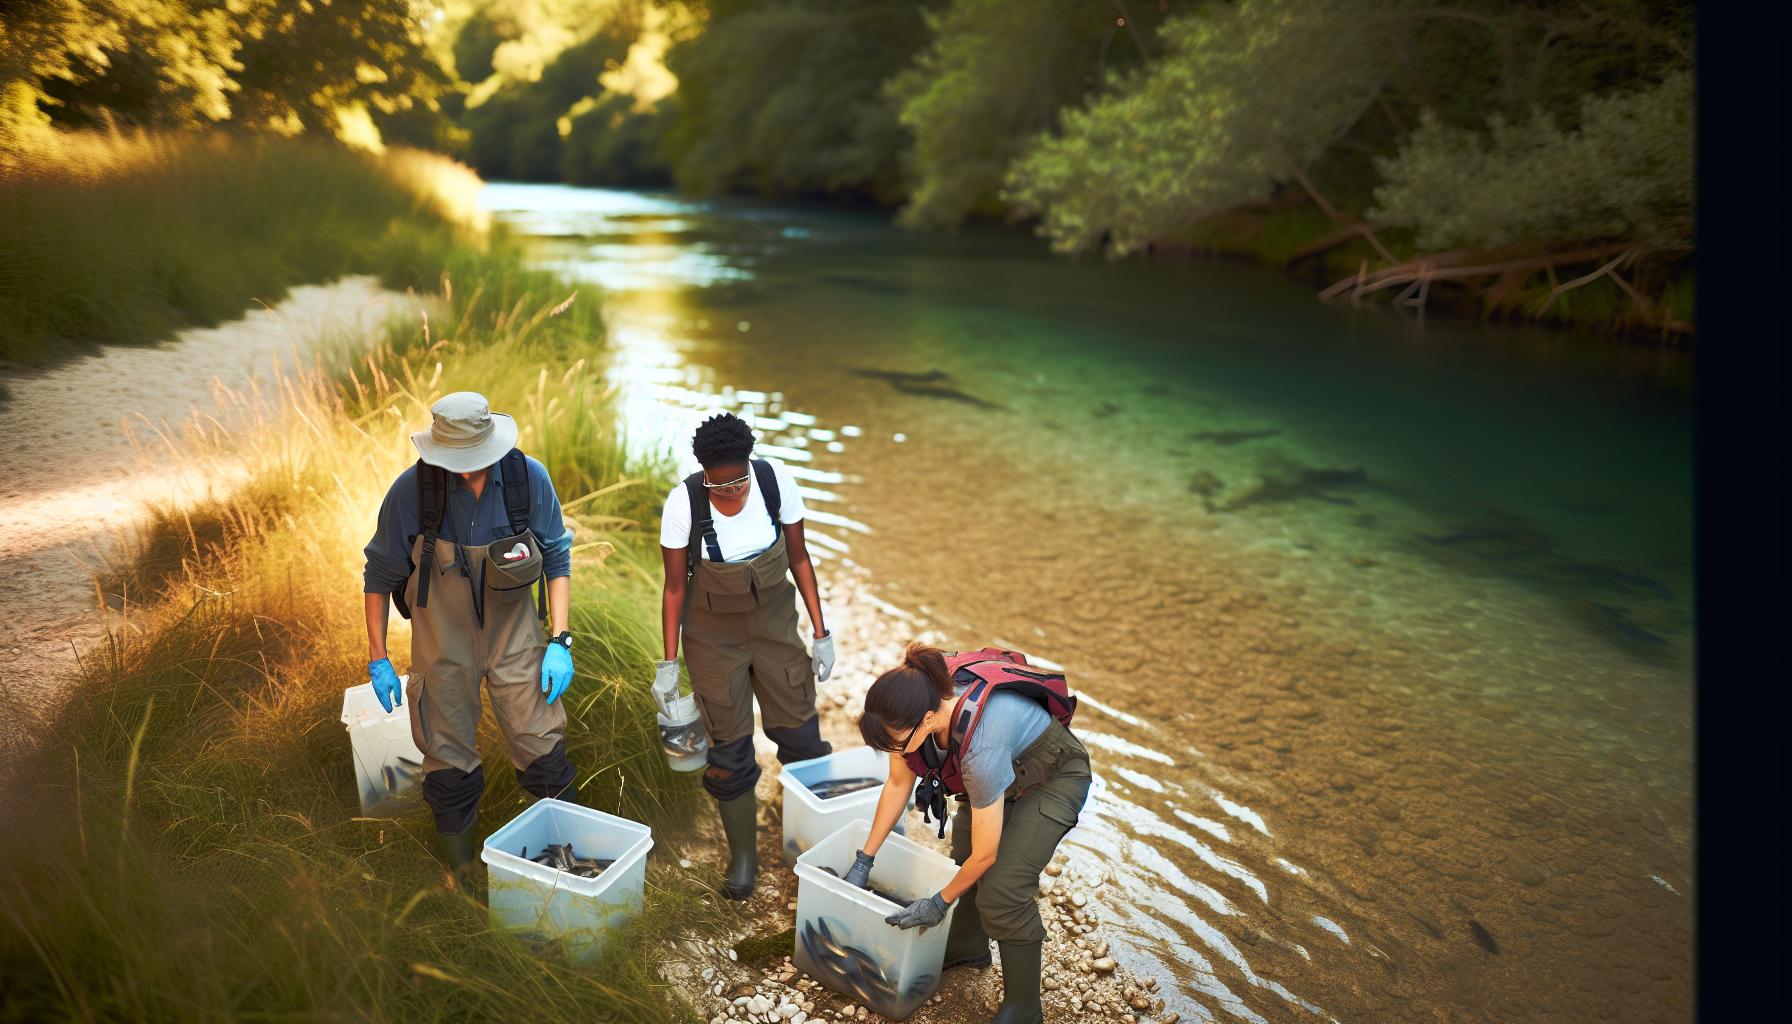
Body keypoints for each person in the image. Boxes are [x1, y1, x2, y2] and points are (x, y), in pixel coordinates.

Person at [362, 392, 579, 888]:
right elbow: (378, 575)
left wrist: (560, 641)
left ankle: (567, 864)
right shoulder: (410, 492)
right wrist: (378, 658)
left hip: (515, 635)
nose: (466, 471)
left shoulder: (528, 480)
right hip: (442, 641)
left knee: (542, 748)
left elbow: (558, 559)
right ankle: (461, 878)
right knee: (448, 760)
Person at [849, 644, 1090, 1024]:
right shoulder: (909, 706)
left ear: (928, 720)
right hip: (1002, 775)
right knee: (961, 858)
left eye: (896, 744)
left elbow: (987, 856)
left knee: (1004, 889)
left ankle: (1024, 1008)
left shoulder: (980, 746)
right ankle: (967, 946)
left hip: (1054, 778)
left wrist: (938, 903)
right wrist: (864, 859)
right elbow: (898, 784)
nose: (894, 751)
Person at [657, 412, 835, 900]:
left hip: (776, 627)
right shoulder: (684, 503)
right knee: (729, 749)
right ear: (704, 474)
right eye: (719, 485)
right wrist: (669, 663)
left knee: (799, 733)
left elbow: (799, 558)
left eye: (739, 479)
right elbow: (674, 588)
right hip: (711, 638)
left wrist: (821, 633)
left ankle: (804, 835)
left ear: (749, 464)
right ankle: (743, 855)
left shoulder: (776, 483)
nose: (731, 490)